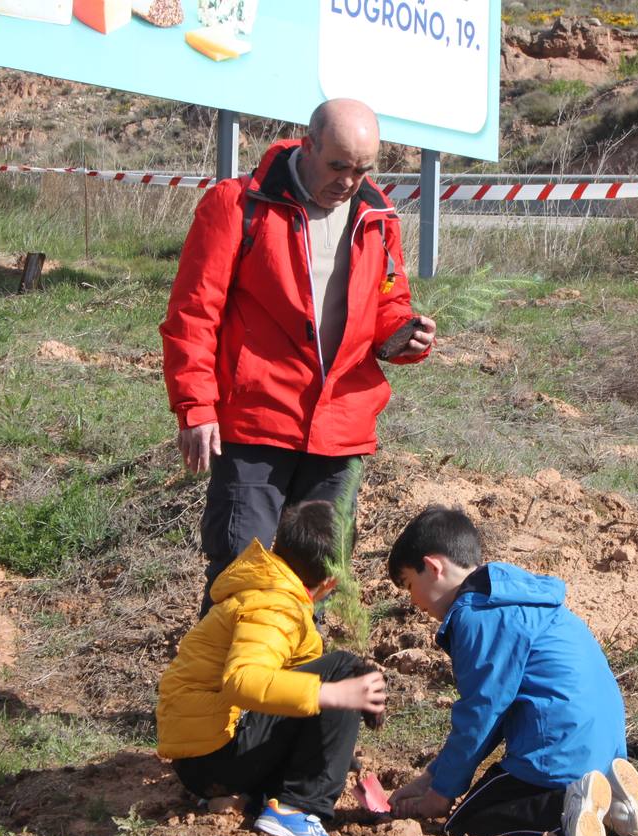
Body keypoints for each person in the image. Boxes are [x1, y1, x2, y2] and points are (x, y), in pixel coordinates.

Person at [161, 98, 436, 619]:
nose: (350, 181)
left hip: (339, 430)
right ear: (307, 144)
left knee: (315, 579)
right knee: (242, 578)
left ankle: (288, 697)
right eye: (338, 165)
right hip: (254, 423)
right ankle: (221, 700)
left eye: (363, 169)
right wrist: (196, 407)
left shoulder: (378, 217)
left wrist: (405, 335)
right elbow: (193, 315)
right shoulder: (236, 205)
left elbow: (386, 304)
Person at [384, 506, 638, 836]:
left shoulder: (477, 617)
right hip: (603, 750)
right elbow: (496, 711)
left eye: (410, 584)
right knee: (486, 798)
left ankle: (568, 809)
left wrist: (440, 795)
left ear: (434, 567)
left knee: (465, 823)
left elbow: (480, 715)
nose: (413, 601)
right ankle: (618, 806)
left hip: (559, 755)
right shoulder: (513, 595)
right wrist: (431, 778)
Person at [155, 500, 386, 836]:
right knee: (341, 668)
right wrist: (331, 694)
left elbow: (289, 686)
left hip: (203, 756)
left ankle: (242, 798)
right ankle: (297, 811)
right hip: (214, 756)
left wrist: (335, 750)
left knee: (330, 675)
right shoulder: (274, 605)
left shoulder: (273, 588)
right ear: (331, 579)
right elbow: (243, 681)